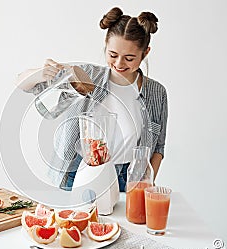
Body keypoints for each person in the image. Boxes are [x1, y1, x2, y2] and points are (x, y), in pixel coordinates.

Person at [16, 7, 168, 192]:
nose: (119, 64)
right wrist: (41, 73)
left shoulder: (157, 93)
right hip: (76, 170)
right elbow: (22, 83)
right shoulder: (85, 75)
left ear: (145, 53)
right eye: (113, 55)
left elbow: (158, 146)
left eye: (129, 58)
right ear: (105, 44)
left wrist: (147, 183)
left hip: (126, 178)